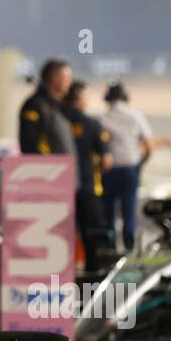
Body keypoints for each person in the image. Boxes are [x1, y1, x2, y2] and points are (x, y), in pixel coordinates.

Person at [63, 81, 112, 269]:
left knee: (61, 238)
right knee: (92, 237)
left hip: (59, 189)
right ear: (80, 100)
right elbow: (106, 161)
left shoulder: (57, 121)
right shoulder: (92, 125)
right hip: (88, 188)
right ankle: (92, 282)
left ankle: (62, 279)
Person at [101, 82, 153, 252]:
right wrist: (140, 165)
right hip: (130, 169)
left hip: (108, 171)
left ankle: (109, 251)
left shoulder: (104, 118)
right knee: (129, 213)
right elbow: (149, 146)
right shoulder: (136, 115)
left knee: (108, 214)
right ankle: (131, 253)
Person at [18, 59, 75, 156]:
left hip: (65, 168)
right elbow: (30, 143)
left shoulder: (60, 107)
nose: (70, 82)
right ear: (54, 78)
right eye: (67, 78)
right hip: (47, 168)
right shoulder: (35, 105)